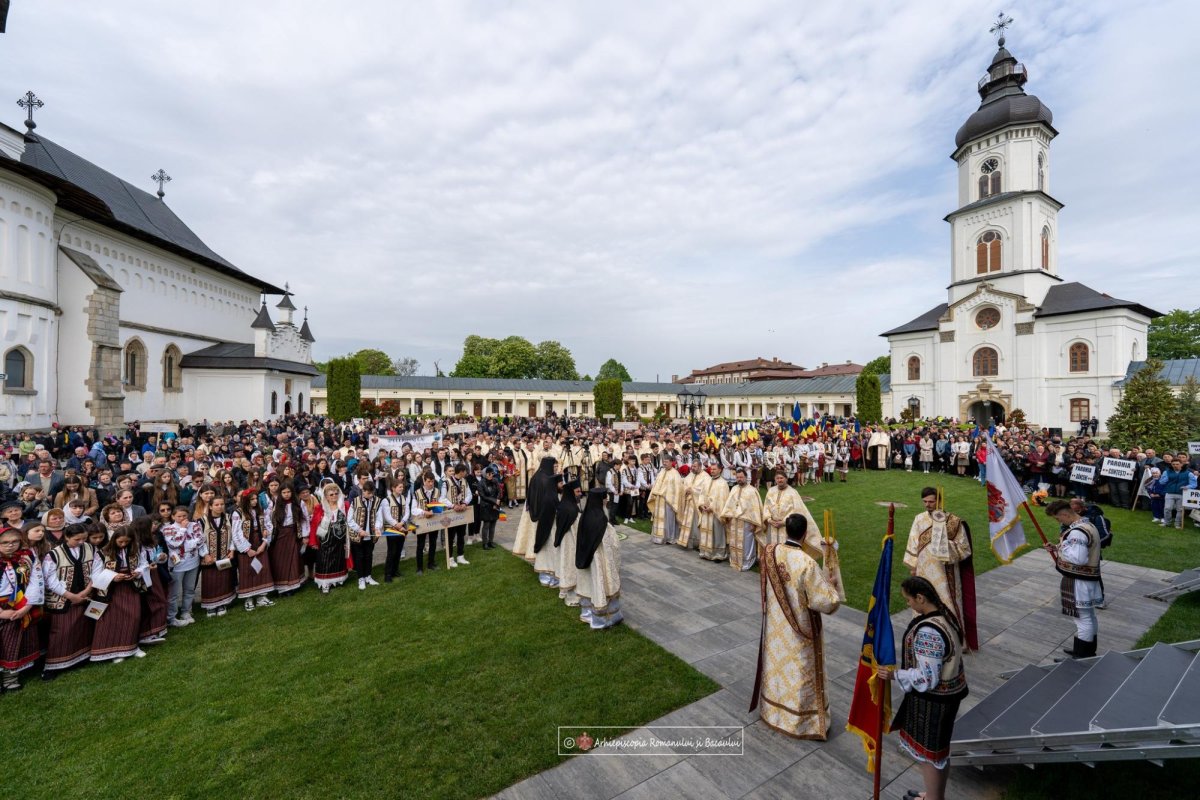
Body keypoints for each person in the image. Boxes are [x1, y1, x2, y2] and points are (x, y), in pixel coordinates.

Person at [877, 576, 970, 800]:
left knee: (930, 755)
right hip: (949, 695)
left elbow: (928, 678)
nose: (908, 604)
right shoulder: (945, 615)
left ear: (920, 598)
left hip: (934, 701)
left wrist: (894, 674)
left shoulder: (929, 632)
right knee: (938, 753)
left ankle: (934, 799)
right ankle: (933, 795)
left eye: (909, 600)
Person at [750, 513, 841, 739]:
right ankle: (801, 720)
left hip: (775, 625)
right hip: (800, 628)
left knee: (778, 666)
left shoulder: (770, 552)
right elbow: (826, 602)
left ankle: (772, 710)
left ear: (788, 530)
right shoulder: (806, 563)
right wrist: (831, 586)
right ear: (804, 533)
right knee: (799, 670)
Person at [903, 487, 978, 652]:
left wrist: (946, 545)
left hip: (946, 573)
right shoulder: (919, 519)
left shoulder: (953, 521)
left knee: (948, 603)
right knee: (922, 602)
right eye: (925, 502)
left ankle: (955, 641)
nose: (928, 505)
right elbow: (913, 543)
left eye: (931, 501)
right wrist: (913, 566)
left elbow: (964, 548)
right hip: (924, 572)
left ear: (939, 501)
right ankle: (923, 636)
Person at [1045, 500, 1103, 658]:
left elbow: (1078, 558)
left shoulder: (1077, 532)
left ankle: (1082, 654)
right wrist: (1057, 547)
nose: (1059, 521)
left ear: (1064, 514)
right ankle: (1086, 649)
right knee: (1088, 616)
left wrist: (1062, 547)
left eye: (1058, 518)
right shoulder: (1088, 525)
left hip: (1080, 580)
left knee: (1083, 618)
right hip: (1087, 579)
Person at [40, 522, 95, 678]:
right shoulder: (53, 554)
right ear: (67, 537)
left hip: (84, 594)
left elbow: (97, 568)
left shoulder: (91, 548)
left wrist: (87, 591)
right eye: (77, 539)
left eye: (84, 538)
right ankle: (53, 666)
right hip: (62, 599)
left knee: (81, 628)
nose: (81, 542)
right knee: (61, 632)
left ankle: (80, 658)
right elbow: (49, 580)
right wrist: (70, 596)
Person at [89, 524, 148, 663]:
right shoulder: (102, 553)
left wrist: (138, 572)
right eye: (120, 541)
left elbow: (144, 564)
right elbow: (95, 573)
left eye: (126, 542)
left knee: (134, 616)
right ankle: (114, 651)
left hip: (130, 588)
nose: (123, 544)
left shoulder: (137, 549)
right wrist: (113, 577)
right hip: (111, 591)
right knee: (113, 620)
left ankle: (132, 647)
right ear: (114, 539)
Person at [0, 525, 44, 689]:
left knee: (13, 644)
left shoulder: (27, 556)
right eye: (4, 543)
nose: (10, 545)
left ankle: (10, 679)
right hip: (2, 608)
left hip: (21, 604)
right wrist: (2, 613)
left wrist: (26, 607)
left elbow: (36, 580)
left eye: (14, 541)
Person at [574, 487, 622, 629]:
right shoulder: (600, 519)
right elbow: (609, 542)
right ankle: (601, 620)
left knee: (591, 583)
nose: (607, 499)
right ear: (600, 500)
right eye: (605, 497)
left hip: (588, 557)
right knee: (602, 583)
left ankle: (587, 612)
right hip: (600, 558)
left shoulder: (586, 515)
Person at [233, 490, 275, 610]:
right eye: (252, 499)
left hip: (260, 541)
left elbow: (268, 526)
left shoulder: (260, 511)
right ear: (246, 500)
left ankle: (262, 596)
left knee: (262, 568)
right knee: (248, 570)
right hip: (247, 543)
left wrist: (264, 543)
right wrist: (247, 549)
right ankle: (249, 598)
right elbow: (236, 533)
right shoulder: (238, 513)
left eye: (256, 498)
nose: (255, 501)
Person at [162, 506, 201, 626]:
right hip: (177, 565)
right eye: (179, 516)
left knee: (189, 589)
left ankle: (186, 611)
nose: (182, 518)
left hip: (193, 561)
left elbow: (200, 540)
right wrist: (183, 530)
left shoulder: (194, 525)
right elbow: (174, 544)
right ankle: (171, 616)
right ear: (173, 516)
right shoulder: (168, 529)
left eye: (184, 516)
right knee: (174, 592)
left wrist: (185, 545)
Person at [198, 495, 237, 616]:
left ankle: (222, 604)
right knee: (210, 580)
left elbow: (233, 536)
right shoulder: (202, 521)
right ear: (210, 507)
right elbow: (199, 540)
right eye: (216, 505)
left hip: (225, 555)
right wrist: (205, 554)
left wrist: (232, 550)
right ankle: (211, 606)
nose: (220, 507)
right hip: (210, 557)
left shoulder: (228, 518)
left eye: (222, 504)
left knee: (223, 579)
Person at [265, 482, 306, 595]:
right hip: (280, 534)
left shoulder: (298, 503)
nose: (287, 494)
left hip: (293, 533)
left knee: (293, 559)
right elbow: (267, 519)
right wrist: (270, 533)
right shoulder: (275, 504)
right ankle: (282, 586)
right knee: (280, 560)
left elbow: (304, 520)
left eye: (288, 492)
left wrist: (305, 535)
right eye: (284, 492)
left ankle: (292, 585)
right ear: (280, 493)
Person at [309, 482, 350, 593]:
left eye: (336, 494)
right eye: (331, 495)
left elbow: (349, 522)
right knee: (324, 561)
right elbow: (314, 525)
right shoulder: (320, 508)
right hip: (325, 539)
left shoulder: (344, 506)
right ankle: (325, 584)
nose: (334, 496)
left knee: (338, 560)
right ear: (326, 496)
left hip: (340, 539)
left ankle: (337, 580)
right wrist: (313, 541)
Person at [513, 457, 556, 560]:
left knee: (529, 530)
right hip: (540, 509)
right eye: (553, 466)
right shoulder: (546, 479)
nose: (554, 468)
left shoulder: (537, 475)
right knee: (536, 531)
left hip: (531, 506)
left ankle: (526, 549)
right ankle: (535, 552)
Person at [721, 468, 764, 571]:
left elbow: (756, 509)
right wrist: (728, 516)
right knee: (734, 542)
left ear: (746, 478)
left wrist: (755, 523)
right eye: (738, 477)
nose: (739, 479)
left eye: (741, 477)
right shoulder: (734, 489)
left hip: (747, 522)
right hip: (734, 521)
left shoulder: (752, 490)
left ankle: (747, 561)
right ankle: (735, 560)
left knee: (746, 543)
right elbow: (729, 504)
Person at [346, 480, 383, 588]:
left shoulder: (377, 501)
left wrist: (377, 528)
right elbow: (350, 520)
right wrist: (359, 530)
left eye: (372, 493)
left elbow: (379, 517)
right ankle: (361, 578)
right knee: (359, 557)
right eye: (368, 493)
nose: (370, 496)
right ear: (363, 491)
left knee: (369, 556)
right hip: (358, 536)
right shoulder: (355, 501)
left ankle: (368, 576)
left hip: (371, 535)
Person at [409, 472, 447, 575]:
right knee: (420, 545)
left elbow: (441, 505)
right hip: (422, 522)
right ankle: (419, 567)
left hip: (434, 520)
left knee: (433, 542)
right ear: (424, 481)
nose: (431, 483)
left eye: (432, 481)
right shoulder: (417, 493)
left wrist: (434, 511)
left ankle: (431, 563)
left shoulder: (437, 491)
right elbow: (413, 509)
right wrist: (424, 512)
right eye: (428, 481)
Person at [532, 474, 565, 587]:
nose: (562, 485)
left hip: (551, 529)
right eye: (561, 483)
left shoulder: (553, 495)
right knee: (547, 553)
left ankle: (550, 575)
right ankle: (547, 577)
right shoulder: (550, 498)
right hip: (548, 531)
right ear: (555, 484)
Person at [555, 478, 583, 606]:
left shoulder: (565, 504)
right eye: (577, 492)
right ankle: (571, 595)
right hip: (570, 542)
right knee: (570, 566)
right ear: (571, 492)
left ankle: (564, 590)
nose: (580, 494)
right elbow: (577, 528)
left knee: (565, 564)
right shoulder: (571, 509)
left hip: (565, 541)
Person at [698, 463, 730, 562]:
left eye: (714, 469)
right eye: (711, 469)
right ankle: (706, 552)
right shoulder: (707, 481)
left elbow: (723, 500)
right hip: (705, 511)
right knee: (706, 531)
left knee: (717, 532)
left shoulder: (723, 483)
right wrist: (701, 504)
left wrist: (712, 507)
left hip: (716, 513)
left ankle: (719, 554)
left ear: (720, 470)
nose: (712, 471)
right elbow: (702, 494)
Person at [647, 459, 683, 545]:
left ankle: (668, 537)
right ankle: (658, 537)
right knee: (659, 519)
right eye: (664, 461)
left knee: (668, 519)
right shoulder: (662, 471)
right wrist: (655, 493)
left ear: (671, 462)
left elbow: (677, 489)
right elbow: (657, 483)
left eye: (666, 462)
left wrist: (664, 493)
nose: (664, 463)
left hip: (669, 501)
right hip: (659, 500)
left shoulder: (675, 474)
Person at [380, 476, 410, 579]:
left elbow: (407, 512)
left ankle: (395, 570)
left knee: (399, 550)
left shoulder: (404, 498)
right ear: (393, 488)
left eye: (402, 487)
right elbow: (387, 516)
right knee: (392, 551)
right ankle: (388, 574)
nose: (401, 489)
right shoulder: (386, 500)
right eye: (399, 487)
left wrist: (402, 522)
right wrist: (396, 525)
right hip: (391, 529)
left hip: (401, 527)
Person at [444, 464, 473, 568]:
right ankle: (450, 558)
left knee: (461, 535)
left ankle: (460, 556)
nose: (466, 473)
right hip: (451, 513)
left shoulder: (464, 481)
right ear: (461, 472)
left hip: (462, 512)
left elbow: (469, 494)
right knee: (450, 537)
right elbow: (442, 498)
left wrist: (465, 503)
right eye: (465, 471)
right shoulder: (446, 482)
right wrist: (453, 505)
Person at [477, 468, 502, 550]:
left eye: (492, 473)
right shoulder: (481, 483)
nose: (491, 475)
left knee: (493, 525)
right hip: (486, 506)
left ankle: (491, 541)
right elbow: (483, 496)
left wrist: (497, 502)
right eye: (489, 474)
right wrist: (494, 501)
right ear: (485, 474)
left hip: (495, 506)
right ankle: (485, 543)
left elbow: (499, 491)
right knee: (486, 525)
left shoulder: (495, 481)